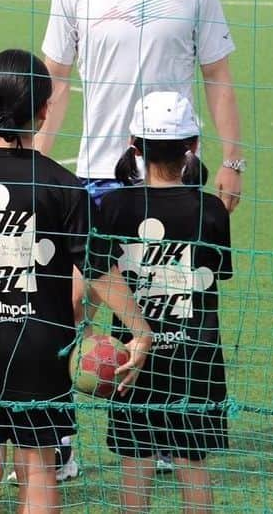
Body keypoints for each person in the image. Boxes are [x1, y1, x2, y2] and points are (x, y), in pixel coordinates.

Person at [0, 49, 153, 514]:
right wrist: (140, 328)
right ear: (44, 110)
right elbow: (97, 268)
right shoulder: (62, 184)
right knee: (38, 465)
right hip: (41, 345)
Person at [36, 0, 243, 212]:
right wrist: (35, 160)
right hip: (101, 171)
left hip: (176, 170)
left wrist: (232, 161)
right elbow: (55, 79)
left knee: (175, 267)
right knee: (101, 267)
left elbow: (217, 75)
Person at [94, 91, 233, 512]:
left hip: (132, 359)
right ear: (192, 147)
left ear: (134, 148)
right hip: (197, 357)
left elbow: (99, 273)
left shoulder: (114, 205)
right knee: (194, 463)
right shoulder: (211, 209)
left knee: (135, 463)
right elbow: (217, 273)